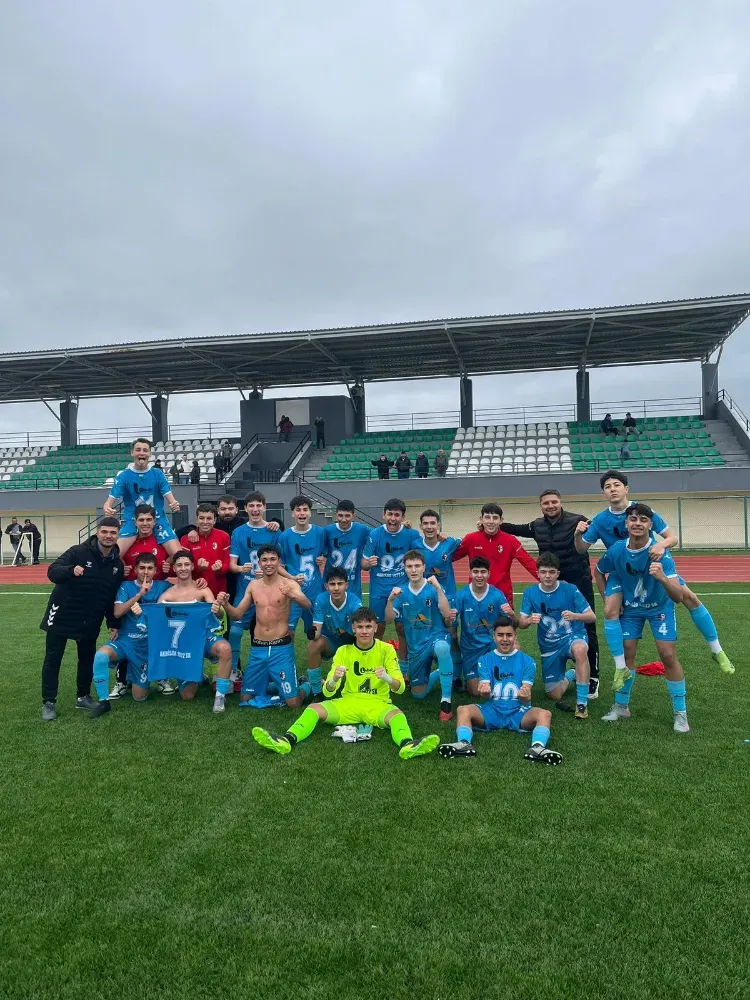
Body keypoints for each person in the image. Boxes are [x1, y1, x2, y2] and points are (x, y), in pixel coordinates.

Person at [576, 469, 734, 676]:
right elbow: (581, 549)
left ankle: (717, 650)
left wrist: (661, 545)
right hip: (621, 571)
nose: (613, 489)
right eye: (607, 487)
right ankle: (620, 668)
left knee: (689, 597)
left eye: (616, 485)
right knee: (610, 610)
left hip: (651, 566)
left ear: (626, 489)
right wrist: (578, 534)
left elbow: (672, 538)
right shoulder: (600, 520)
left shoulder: (643, 511)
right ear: (603, 493)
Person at [251, 607, 439, 761]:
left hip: (377, 704)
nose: (364, 631)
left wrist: (387, 678)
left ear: (375, 628)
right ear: (353, 629)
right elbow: (328, 691)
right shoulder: (343, 651)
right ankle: (286, 740)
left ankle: (407, 745)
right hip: (349, 703)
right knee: (313, 709)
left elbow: (400, 688)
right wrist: (334, 678)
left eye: (368, 626)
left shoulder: (386, 650)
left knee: (397, 715)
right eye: (360, 627)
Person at [594, 504, 690, 732]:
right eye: (633, 519)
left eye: (643, 520)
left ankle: (680, 713)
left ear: (650, 525)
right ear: (626, 523)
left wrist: (662, 578)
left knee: (667, 655)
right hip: (632, 610)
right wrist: (607, 597)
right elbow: (598, 571)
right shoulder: (617, 550)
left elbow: (677, 597)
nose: (637, 523)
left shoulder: (661, 553)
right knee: (627, 651)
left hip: (659, 608)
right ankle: (621, 706)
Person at [500, 488, 601, 698]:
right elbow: (516, 529)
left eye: (554, 502)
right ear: (541, 506)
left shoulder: (577, 520)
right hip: (550, 581)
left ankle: (593, 676)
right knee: (556, 620)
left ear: (560, 502)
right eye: (546, 503)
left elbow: (597, 528)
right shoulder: (537, 525)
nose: (550, 506)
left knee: (587, 626)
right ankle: (566, 667)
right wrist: (494, 525)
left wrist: (590, 526)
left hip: (577, 581)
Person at [437, 616, 563, 765]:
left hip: (518, 711)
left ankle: (537, 748)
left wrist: (524, 695)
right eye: (500, 635)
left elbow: (525, 699)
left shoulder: (528, 661)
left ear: (515, 636)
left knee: (545, 714)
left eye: (509, 635)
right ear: (494, 636)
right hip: (492, 710)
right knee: (463, 710)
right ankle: (464, 744)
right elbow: (486, 696)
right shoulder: (484, 660)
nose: (505, 639)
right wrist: (484, 692)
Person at [40, 517, 125, 721]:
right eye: (104, 531)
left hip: (90, 617)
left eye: (113, 533)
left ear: (117, 535)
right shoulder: (77, 552)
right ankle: (49, 702)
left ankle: (83, 696)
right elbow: (52, 571)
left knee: (87, 658)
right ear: (97, 532)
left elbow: (110, 597)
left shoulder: (117, 564)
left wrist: (113, 623)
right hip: (62, 614)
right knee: (53, 658)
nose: (108, 536)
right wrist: (70, 570)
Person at [222, 543, 313, 708]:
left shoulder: (289, 584)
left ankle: (306, 685)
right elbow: (237, 615)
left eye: (272, 559)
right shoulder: (253, 585)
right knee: (245, 698)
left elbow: (307, 604)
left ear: (279, 562)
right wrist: (226, 604)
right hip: (258, 648)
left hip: (281, 648)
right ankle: (275, 685)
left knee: (293, 703)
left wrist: (292, 595)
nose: (268, 563)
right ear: (259, 563)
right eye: (264, 560)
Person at [89, 552, 173, 718]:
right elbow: (117, 612)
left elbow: (182, 593)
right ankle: (104, 701)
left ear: (155, 570)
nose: (146, 572)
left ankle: (146, 676)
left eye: (150, 568)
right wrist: (140, 594)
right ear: (135, 569)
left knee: (139, 697)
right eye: (142, 568)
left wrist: (200, 582)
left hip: (147, 647)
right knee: (100, 656)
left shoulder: (163, 586)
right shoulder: (126, 586)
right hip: (125, 642)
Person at [151, 550, 232, 711]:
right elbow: (158, 620)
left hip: (203, 638)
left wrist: (218, 610)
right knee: (187, 696)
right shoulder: (167, 595)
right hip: (183, 646)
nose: (183, 568)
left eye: (186, 564)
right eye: (179, 565)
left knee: (225, 649)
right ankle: (197, 673)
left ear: (192, 566)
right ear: (174, 568)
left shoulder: (202, 589)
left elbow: (219, 614)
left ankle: (220, 696)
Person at [518, 553, 596, 719]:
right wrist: (529, 620)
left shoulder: (570, 589)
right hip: (549, 645)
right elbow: (521, 623)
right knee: (554, 694)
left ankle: (582, 703)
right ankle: (572, 673)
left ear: (558, 573)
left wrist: (575, 616)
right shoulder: (530, 593)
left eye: (552, 572)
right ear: (538, 573)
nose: (548, 576)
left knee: (580, 649)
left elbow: (591, 616)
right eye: (544, 572)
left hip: (572, 636)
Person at [385, 550, 455, 721]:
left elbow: (447, 614)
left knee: (442, 647)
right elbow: (388, 620)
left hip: (436, 637)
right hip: (416, 647)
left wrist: (438, 589)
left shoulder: (433, 588)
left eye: (417, 566)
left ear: (424, 567)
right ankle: (441, 671)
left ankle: (446, 701)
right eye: (409, 566)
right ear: (404, 569)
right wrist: (390, 600)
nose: (413, 570)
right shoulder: (401, 592)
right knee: (418, 694)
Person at [114, 507, 174, 699]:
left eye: (149, 520)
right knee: (127, 636)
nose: (145, 524)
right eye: (141, 520)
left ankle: (162, 677)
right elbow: (114, 562)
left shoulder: (162, 540)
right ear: (135, 521)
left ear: (155, 521)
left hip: (156, 595)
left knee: (159, 636)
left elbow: (179, 558)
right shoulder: (128, 540)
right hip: (130, 594)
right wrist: (120, 569)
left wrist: (169, 566)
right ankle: (122, 680)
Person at [362, 498, 421, 675]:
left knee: (402, 629)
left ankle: (403, 671)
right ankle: (375, 667)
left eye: (397, 515)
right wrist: (368, 563)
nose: (393, 518)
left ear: (403, 517)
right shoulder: (375, 534)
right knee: (377, 628)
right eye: (390, 514)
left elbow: (421, 556)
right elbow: (364, 563)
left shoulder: (411, 535)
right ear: (383, 515)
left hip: (402, 589)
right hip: (379, 590)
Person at [278, 495, 328, 695]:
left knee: (315, 634)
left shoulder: (319, 533)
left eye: (305, 509)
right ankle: (290, 672)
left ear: (310, 512)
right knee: (288, 634)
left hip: (315, 592)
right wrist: (291, 578)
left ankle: (316, 675)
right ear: (292, 513)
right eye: (298, 510)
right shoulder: (285, 536)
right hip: (293, 593)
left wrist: (323, 557)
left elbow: (326, 552)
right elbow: (279, 565)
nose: (302, 513)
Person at [227, 492, 280, 672]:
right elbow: (232, 565)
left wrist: (268, 572)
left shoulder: (274, 531)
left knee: (268, 632)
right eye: (251, 505)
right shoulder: (238, 532)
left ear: (264, 507)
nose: (255, 509)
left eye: (258, 505)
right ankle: (234, 671)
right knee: (235, 631)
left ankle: (266, 670)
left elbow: (281, 564)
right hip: (245, 589)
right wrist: (241, 568)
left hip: (268, 590)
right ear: (245, 508)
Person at [104, 438, 182, 558]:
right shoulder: (124, 476)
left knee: (180, 556)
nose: (142, 453)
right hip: (132, 521)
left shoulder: (158, 474)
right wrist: (107, 507)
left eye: (145, 450)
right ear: (132, 453)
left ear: (150, 453)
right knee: (113, 556)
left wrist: (174, 504)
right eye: (138, 450)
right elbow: (109, 502)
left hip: (158, 519)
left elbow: (170, 497)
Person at [452, 502, 539, 607]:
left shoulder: (510, 541)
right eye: (487, 517)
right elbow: (449, 557)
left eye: (495, 518)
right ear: (481, 519)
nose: (491, 521)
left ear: (501, 520)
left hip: (503, 595)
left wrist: (549, 581)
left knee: (506, 618)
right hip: (476, 595)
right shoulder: (471, 539)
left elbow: (529, 562)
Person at [452, 556, 514, 696]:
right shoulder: (461, 595)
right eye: (475, 572)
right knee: (475, 692)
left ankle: (505, 673)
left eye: (483, 572)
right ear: (470, 573)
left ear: (489, 574)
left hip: (492, 646)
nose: (479, 576)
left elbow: (511, 624)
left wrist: (512, 615)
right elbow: (450, 624)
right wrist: (449, 618)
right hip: (470, 649)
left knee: (514, 646)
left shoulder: (497, 595)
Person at [307, 567, 363, 681]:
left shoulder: (354, 601)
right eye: (332, 584)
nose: (336, 588)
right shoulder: (321, 599)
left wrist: (354, 638)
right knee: (313, 644)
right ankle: (316, 688)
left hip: (351, 643)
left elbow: (362, 626)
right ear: (326, 586)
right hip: (331, 642)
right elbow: (317, 631)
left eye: (340, 583)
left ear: (346, 585)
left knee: (364, 640)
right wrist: (312, 633)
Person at [179, 502, 230, 596]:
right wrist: (198, 568)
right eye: (201, 518)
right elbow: (183, 568)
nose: (205, 522)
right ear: (196, 520)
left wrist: (220, 569)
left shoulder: (224, 536)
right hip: (195, 590)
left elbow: (227, 564)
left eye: (209, 518)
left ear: (214, 520)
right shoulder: (186, 539)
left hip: (218, 591)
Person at [323, 499, 371, 598]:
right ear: (336, 515)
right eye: (340, 515)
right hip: (332, 585)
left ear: (354, 516)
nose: (344, 519)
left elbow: (380, 535)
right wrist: (320, 557)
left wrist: (401, 526)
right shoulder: (327, 531)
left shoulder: (362, 530)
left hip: (353, 587)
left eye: (347, 516)